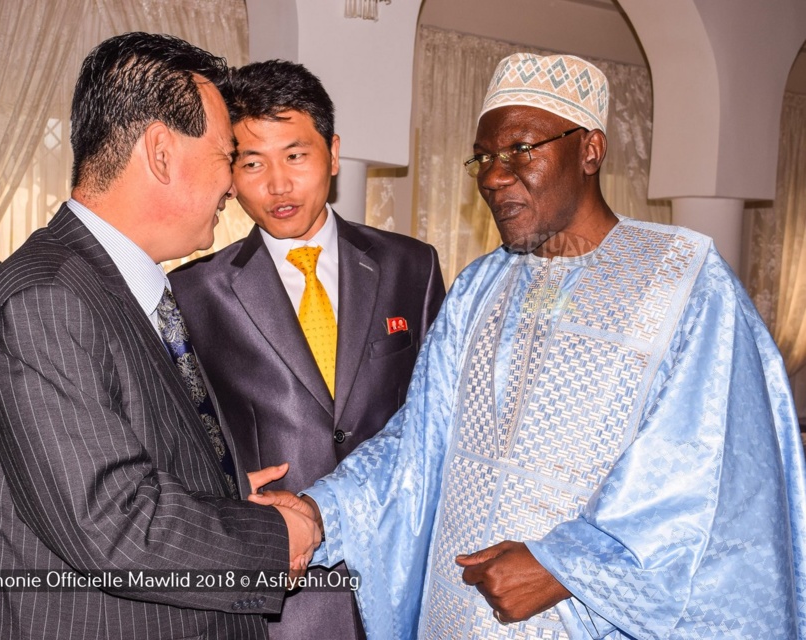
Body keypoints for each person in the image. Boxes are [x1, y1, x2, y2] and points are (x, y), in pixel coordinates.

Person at [254, 53, 806, 639]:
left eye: (522, 150)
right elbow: (416, 446)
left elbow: (710, 478)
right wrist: (320, 513)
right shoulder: (478, 287)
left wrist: (567, 566)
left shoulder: (683, 282)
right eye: (485, 157)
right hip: (454, 617)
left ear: (591, 150)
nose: (494, 175)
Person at [0, 33, 319, 640]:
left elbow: (113, 453)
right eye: (227, 155)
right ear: (161, 151)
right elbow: (113, 522)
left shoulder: (116, 287)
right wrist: (278, 537)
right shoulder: (48, 300)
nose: (232, 186)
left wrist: (221, 488)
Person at [170, 60, 445, 639]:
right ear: (228, 173)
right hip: (280, 588)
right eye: (251, 162)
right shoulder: (194, 292)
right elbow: (176, 436)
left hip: (395, 573)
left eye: (296, 155)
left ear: (334, 153)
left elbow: (437, 418)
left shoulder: (410, 267)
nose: (277, 184)